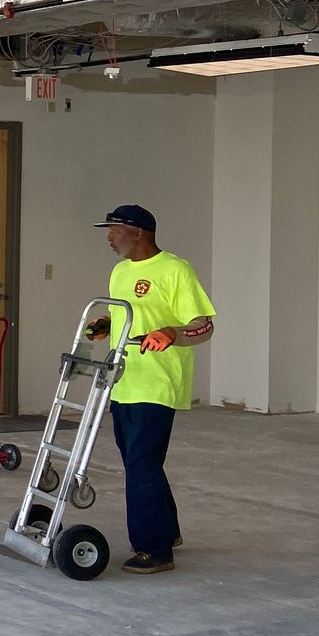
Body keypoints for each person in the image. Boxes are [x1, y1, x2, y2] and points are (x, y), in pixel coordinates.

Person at [86, 204, 216, 574]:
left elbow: (203, 326)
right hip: (122, 380)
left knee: (142, 463)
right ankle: (167, 529)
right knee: (139, 463)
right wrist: (104, 326)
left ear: (138, 232)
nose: (109, 238)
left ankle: (155, 549)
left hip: (158, 382)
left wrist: (171, 333)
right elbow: (126, 318)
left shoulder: (175, 269)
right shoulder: (120, 272)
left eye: (114, 230)